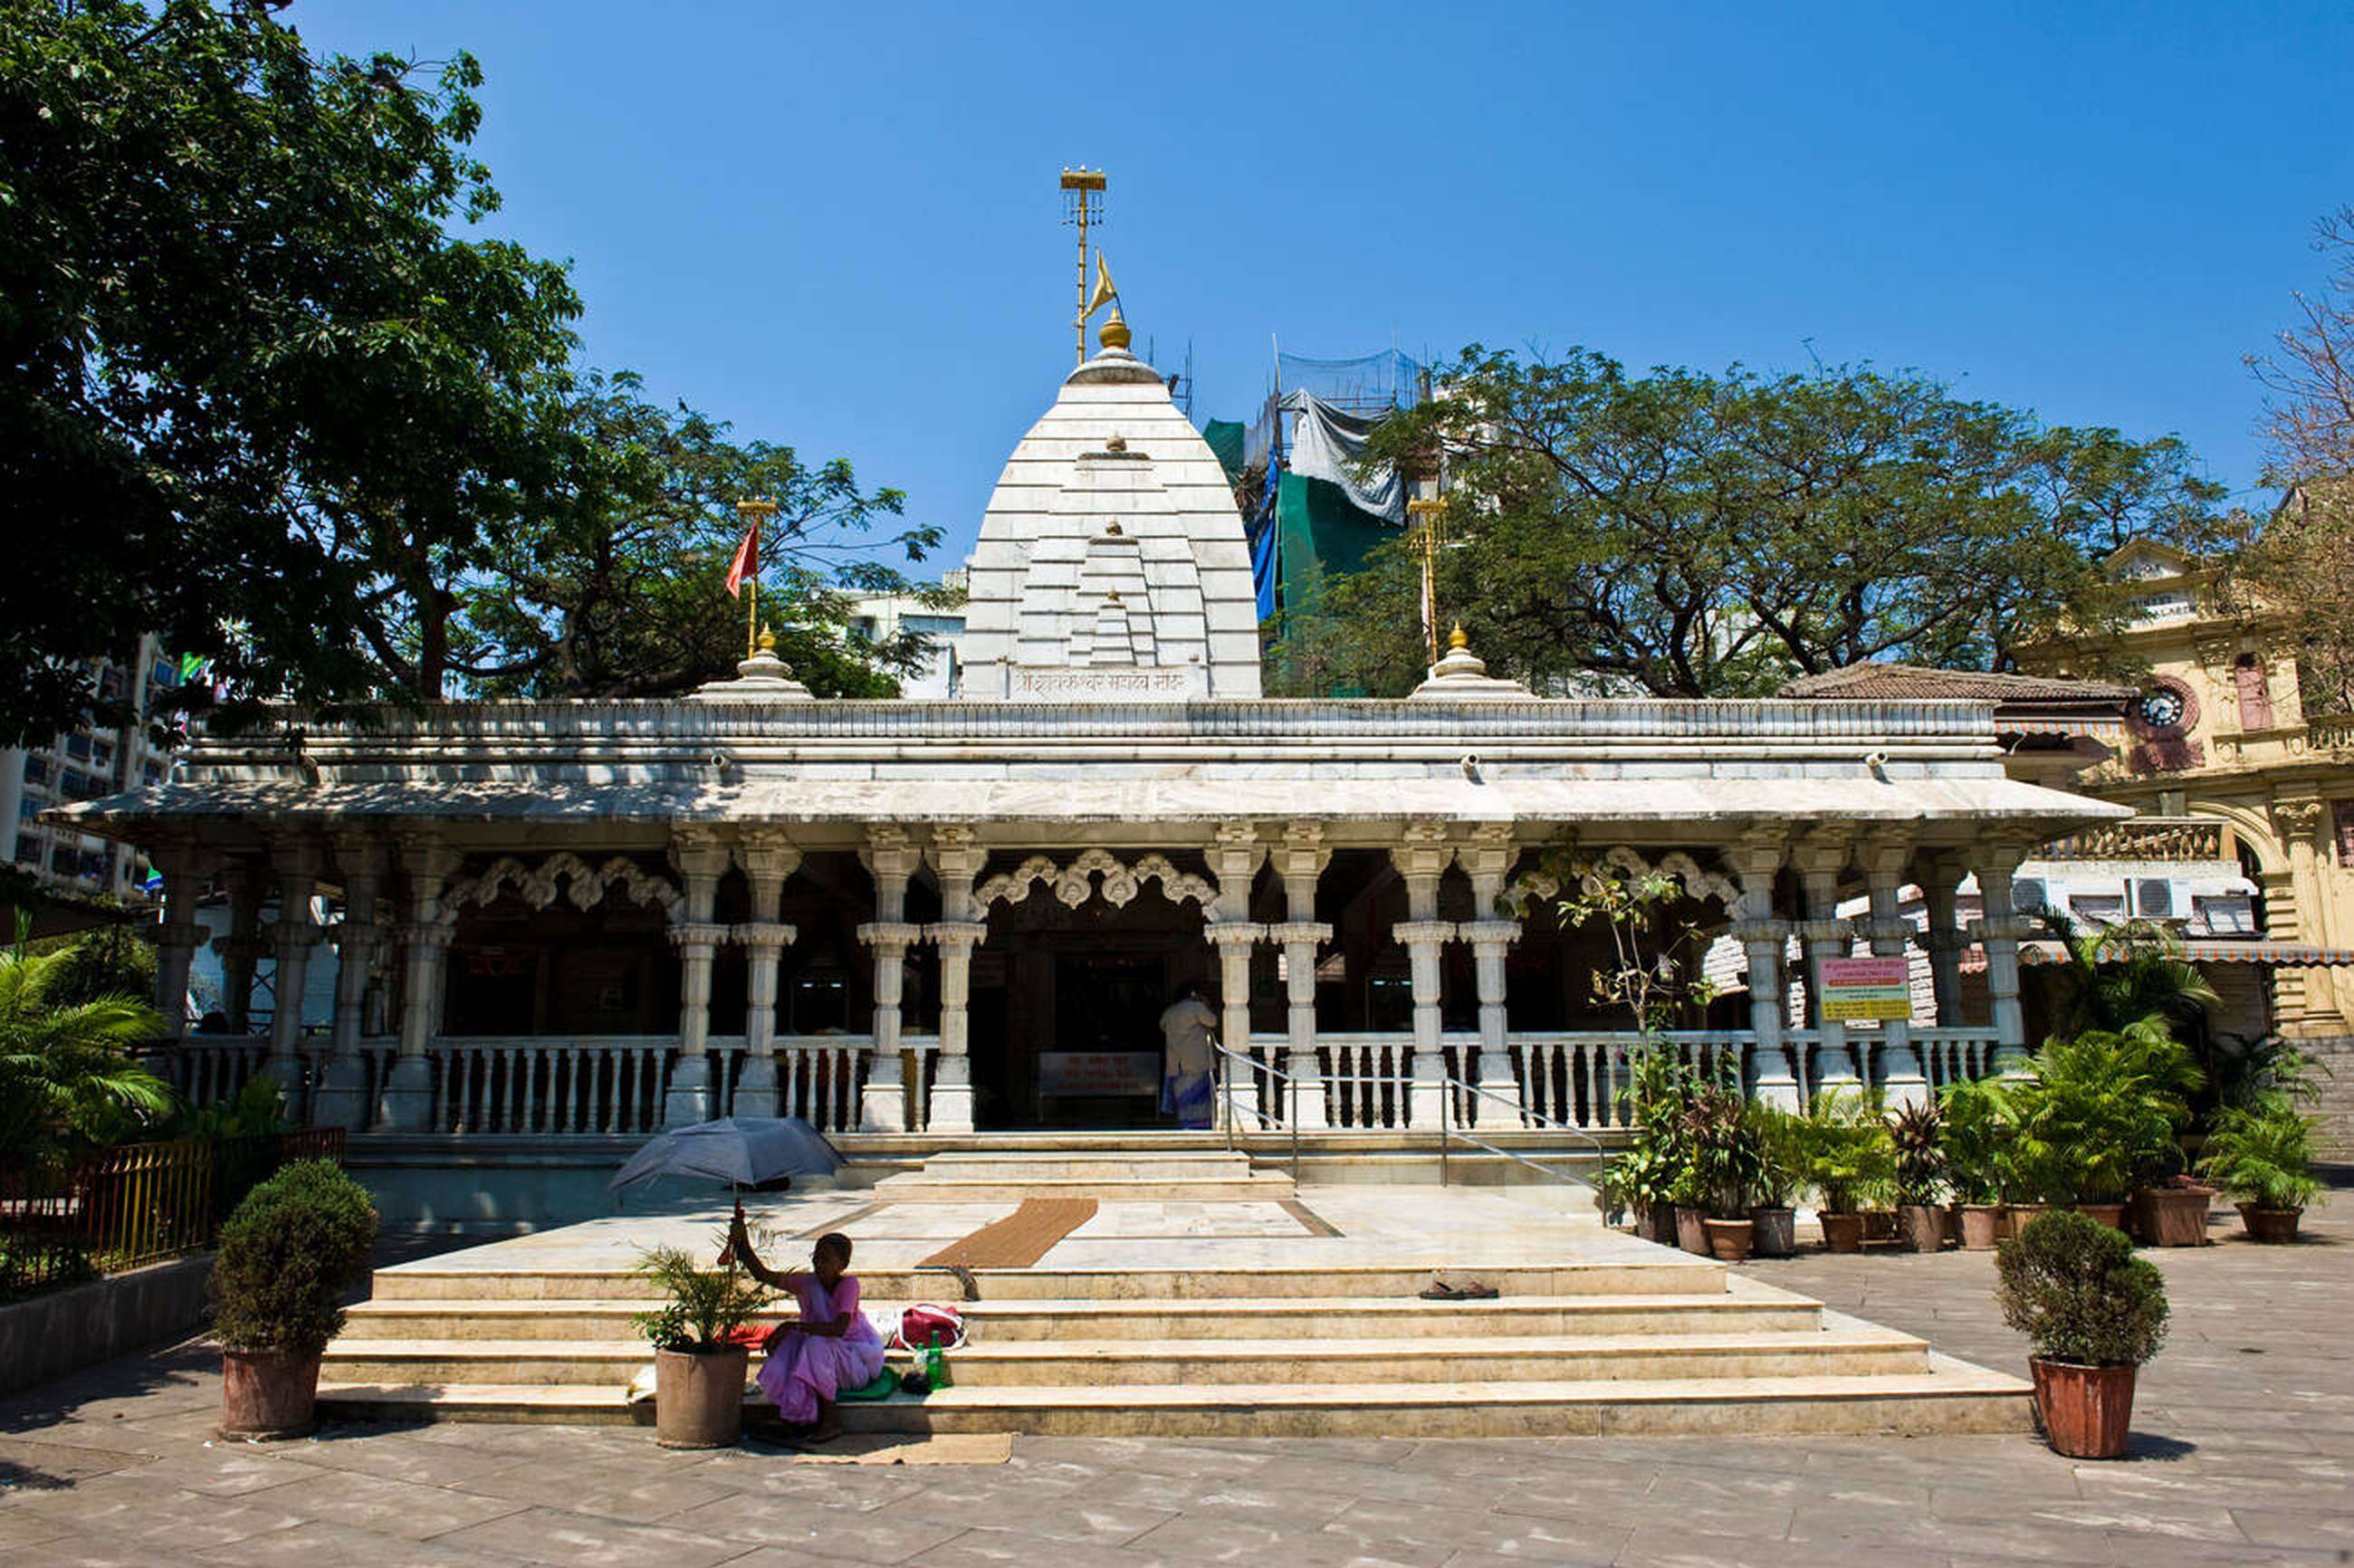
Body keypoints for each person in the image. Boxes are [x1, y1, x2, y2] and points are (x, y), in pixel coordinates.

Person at [723, 1204, 883, 1443]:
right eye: (816, 1258)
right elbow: (764, 1275)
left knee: (814, 1344)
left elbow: (838, 1329)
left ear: (842, 1265)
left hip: (853, 1361)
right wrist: (742, 1241)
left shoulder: (848, 1285)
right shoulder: (807, 1283)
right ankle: (795, 1415)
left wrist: (794, 1326)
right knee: (793, 1342)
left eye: (826, 1260)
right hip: (822, 1356)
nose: (819, 1264)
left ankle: (831, 1421)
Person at [1157, 981, 1218, 1130]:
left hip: (1176, 1065)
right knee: (1200, 1102)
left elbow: (1162, 1025)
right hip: (1196, 1063)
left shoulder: (1170, 1012)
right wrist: (1205, 1004)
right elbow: (1213, 1021)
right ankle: (1200, 1129)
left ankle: (1186, 1127)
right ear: (1193, 994)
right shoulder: (1196, 1008)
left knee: (1184, 1101)